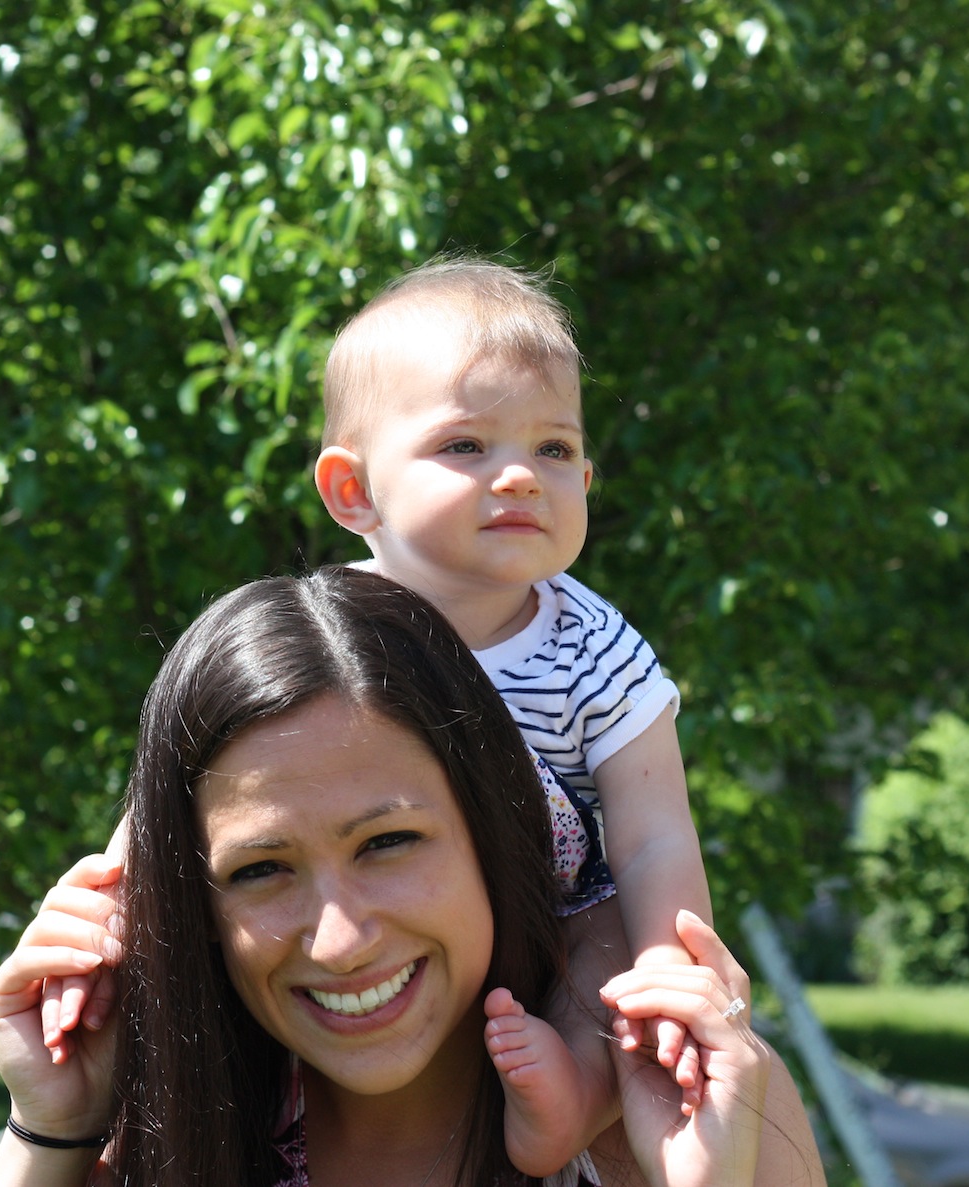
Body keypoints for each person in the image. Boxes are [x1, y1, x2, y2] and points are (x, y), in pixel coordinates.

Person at [0, 567, 821, 1187]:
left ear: (493, 838)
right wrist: (52, 1127)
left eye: (388, 843)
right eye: (262, 868)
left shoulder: (688, 1114)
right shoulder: (161, 1147)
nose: (341, 940)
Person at [312, 257, 714, 1174]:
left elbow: (653, 834)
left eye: (555, 450)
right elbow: (210, 780)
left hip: (555, 911)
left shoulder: (593, 646)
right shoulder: (323, 632)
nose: (523, 476)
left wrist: (671, 966)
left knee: (613, 950)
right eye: (466, 446)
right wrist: (119, 890)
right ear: (354, 491)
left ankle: (574, 1093)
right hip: (377, 916)